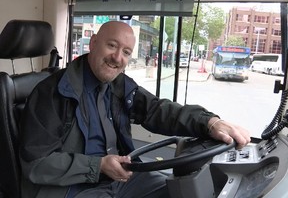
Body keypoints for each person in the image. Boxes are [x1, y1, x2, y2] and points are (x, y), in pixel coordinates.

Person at [19, 21, 250, 198]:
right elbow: (37, 164)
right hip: (72, 188)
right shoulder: (51, 93)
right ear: (93, 44)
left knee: (178, 192)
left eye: (126, 52)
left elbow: (157, 110)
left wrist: (208, 122)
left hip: (119, 177)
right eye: (112, 45)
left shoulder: (118, 84)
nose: (117, 58)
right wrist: (98, 165)